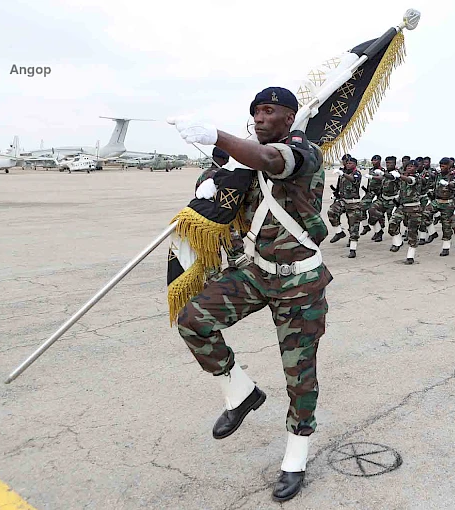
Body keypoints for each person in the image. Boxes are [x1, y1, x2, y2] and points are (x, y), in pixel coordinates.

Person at [168, 86, 330, 502]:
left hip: (299, 284)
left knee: (299, 376)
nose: (260, 117)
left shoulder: (301, 152)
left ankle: (295, 457)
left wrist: (217, 135)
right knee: (192, 321)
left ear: (289, 118)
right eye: (256, 111)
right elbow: (219, 198)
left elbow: (270, 160)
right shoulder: (238, 166)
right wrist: (206, 184)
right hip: (255, 273)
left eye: (269, 111)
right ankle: (240, 392)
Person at [388, 160, 423, 264]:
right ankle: (398, 242)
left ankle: (410, 256)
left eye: (412, 166)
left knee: (412, 232)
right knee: (392, 224)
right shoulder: (402, 177)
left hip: (414, 209)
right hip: (402, 207)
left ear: (416, 168)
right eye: (408, 166)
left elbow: (410, 180)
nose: (409, 168)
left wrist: (398, 176)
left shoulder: (417, 178)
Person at [328, 156, 364, 258]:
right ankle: (339, 232)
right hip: (343, 201)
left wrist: (343, 174)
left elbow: (354, 181)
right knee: (331, 211)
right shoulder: (342, 174)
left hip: (354, 203)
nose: (348, 165)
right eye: (347, 163)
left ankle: (353, 249)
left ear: (355, 165)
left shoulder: (356, 173)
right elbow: (339, 186)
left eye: (351, 163)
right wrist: (335, 194)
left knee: (353, 226)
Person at [424, 157, 455, 255]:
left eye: (444, 166)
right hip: (437, 201)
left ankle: (446, 247)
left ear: (449, 166)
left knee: (446, 225)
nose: (442, 167)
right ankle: (432, 233)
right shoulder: (438, 175)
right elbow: (432, 185)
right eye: (440, 165)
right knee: (424, 214)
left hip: (448, 202)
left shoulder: (453, 175)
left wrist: (448, 184)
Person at [367, 156, 400, 242]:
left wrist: (382, 174)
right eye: (387, 163)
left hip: (393, 200)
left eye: (390, 163)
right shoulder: (385, 172)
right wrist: (373, 177)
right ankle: (378, 231)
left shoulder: (396, 173)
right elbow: (383, 178)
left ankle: (397, 241)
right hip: (383, 198)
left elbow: (392, 177)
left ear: (394, 164)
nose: (388, 165)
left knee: (392, 221)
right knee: (372, 210)